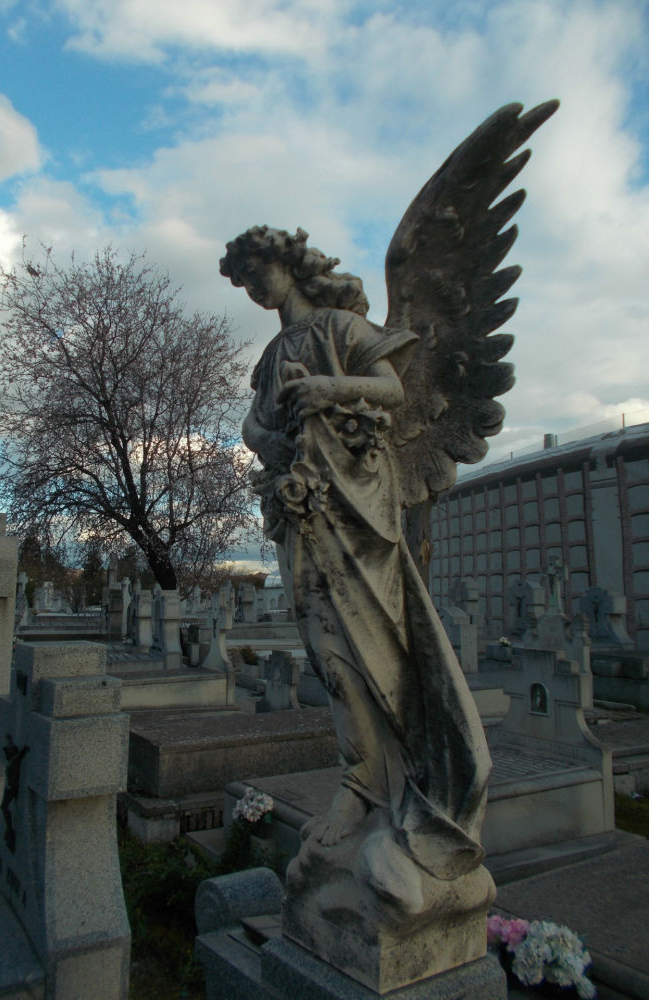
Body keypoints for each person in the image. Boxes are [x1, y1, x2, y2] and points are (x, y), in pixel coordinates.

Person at [221, 226, 490, 890]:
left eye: (258, 273)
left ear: (288, 265)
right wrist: (267, 442)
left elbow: (392, 390)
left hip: (358, 512)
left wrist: (326, 389)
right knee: (325, 647)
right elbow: (253, 422)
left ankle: (408, 780)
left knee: (375, 643)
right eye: (244, 281)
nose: (253, 288)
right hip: (300, 510)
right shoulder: (272, 353)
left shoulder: (341, 326)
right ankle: (361, 779)